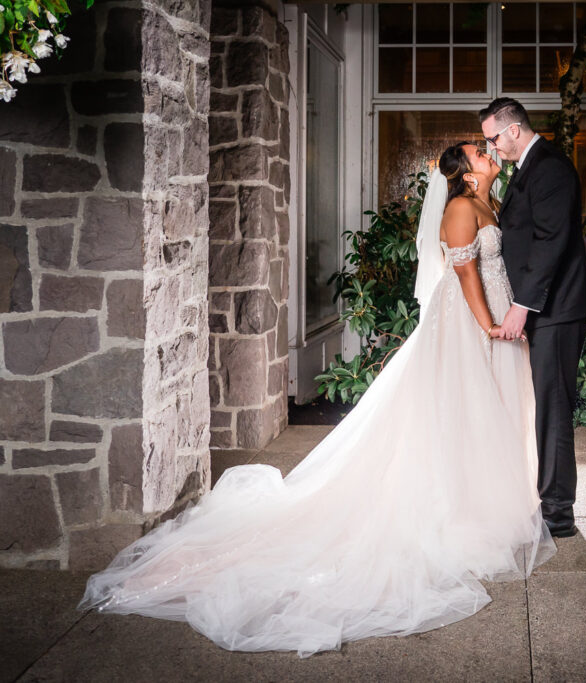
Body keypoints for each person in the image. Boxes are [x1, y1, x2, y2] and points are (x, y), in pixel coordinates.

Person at [78, 142, 555, 657]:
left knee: (484, 415)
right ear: (464, 173)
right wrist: (488, 327)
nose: (487, 152)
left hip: (497, 310)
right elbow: (463, 276)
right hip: (468, 320)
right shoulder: (462, 207)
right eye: (477, 150)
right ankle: (457, 506)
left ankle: (485, 495)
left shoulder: (491, 200)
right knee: (458, 413)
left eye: (485, 148)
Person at [480, 98, 586, 538]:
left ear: (513, 130)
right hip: (547, 307)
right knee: (547, 403)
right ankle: (551, 502)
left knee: (553, 406)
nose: (491, 147)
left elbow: (552, 241)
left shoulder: (549, 167)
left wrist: (519, 306)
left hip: (559, 307)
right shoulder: (529, 167)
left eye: (493, 138)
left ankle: (558, 513)